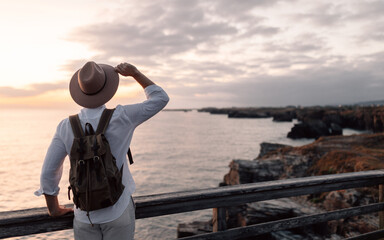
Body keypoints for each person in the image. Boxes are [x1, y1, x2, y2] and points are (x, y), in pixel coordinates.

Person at [35, 61, 169, 240]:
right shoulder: (122, 117)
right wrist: (135, 73)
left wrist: (54, 208)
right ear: (108, 89)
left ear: (80, 91)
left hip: (84, 215)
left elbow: (48, 172)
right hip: (118, 210)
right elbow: (160, 98)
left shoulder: (66, 126)